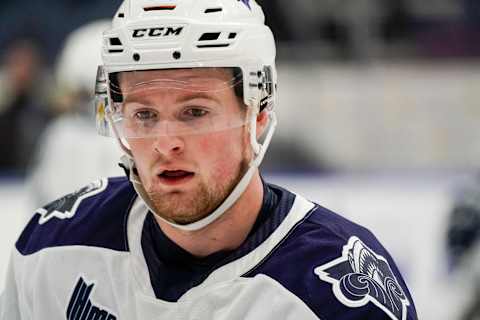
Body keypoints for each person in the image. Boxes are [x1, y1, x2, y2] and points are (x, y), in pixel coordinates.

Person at [0, 1, 418, 319]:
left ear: (258, 113)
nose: (166, 144)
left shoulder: (335, 291)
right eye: (144, 114)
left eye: (195, 112)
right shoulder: (51, 249)